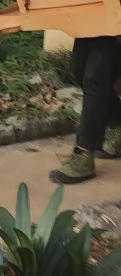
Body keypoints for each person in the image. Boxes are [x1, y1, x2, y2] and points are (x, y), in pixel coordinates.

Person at [49, 36, 121, 184]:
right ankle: (118, 125)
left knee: (96, 77)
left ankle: (83, 154)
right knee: (79, 71)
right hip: (93, 26)